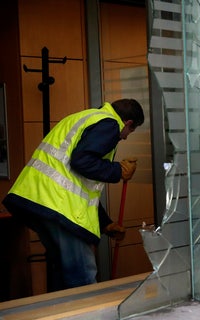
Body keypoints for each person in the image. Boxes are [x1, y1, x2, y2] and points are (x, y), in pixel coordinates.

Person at [2, 98, 144, 292]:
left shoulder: (85, 117)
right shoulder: (109, 123)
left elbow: (76, 184)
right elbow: (82, 161)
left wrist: (105, 223)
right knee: (82, 275)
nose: (125, 137)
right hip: (57, 206)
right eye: (130, 131)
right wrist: (118, 170)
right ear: (127, 123)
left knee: (63, 272)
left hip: (40, 200)